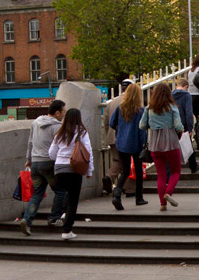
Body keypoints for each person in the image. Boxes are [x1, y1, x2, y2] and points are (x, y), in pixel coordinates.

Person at [19, 100, 67, 236]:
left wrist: (28, 160)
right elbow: (60, 146)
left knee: (37, 193)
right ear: (57, 112)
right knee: (60, 190)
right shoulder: (57, 126)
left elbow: (30, 143)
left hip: (35, 163)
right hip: (49, 163)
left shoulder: (35, 123)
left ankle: (27, 220)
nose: (64, 114)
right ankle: (54, 218)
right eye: (63, 111)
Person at [49, 108, 94, 240]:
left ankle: (64, 213)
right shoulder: (82, 132)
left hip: (59, 169)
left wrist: (60, 158)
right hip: (74, 169)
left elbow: (51, 154)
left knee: (67, 193)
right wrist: (89, 170)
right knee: (73, 198)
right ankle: (67, 230)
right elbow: (88, 152)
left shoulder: (59, 133)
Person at [139, 84, 183, 211]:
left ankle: (162, 204)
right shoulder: (172, 108)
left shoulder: (148, 109)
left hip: (154, 143)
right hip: (170, 141)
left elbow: (141, 125)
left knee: (161, 174)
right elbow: (178, 126)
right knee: (176, 171)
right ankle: (168, 193)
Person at [109, 83, 147, 210]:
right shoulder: (140, 110)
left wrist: (119, 130)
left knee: (125, 171)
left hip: (121, 143)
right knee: (138, 170)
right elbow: (142, 129)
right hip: (135, 143)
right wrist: (144, 143)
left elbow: (111, 122)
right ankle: (139, 198)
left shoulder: (120, 108)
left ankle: (117, 193)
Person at [102, 79, 136, 196]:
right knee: (130, 163)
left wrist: (108, 135)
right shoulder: (133, 102)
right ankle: (130, 189)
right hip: (128, 137)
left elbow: (106, 122)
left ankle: (109, 176)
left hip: (112, 136)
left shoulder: (112, 102)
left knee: (118, 160)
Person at [172, 78, 198, 173]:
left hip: (173, 124)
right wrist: (190, 127)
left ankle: (174, 167)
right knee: (187, 144)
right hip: (184, 123)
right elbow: (188, 112)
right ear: (186, 86)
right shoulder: (186, 95)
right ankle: (193, 166)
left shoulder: (171, 95)